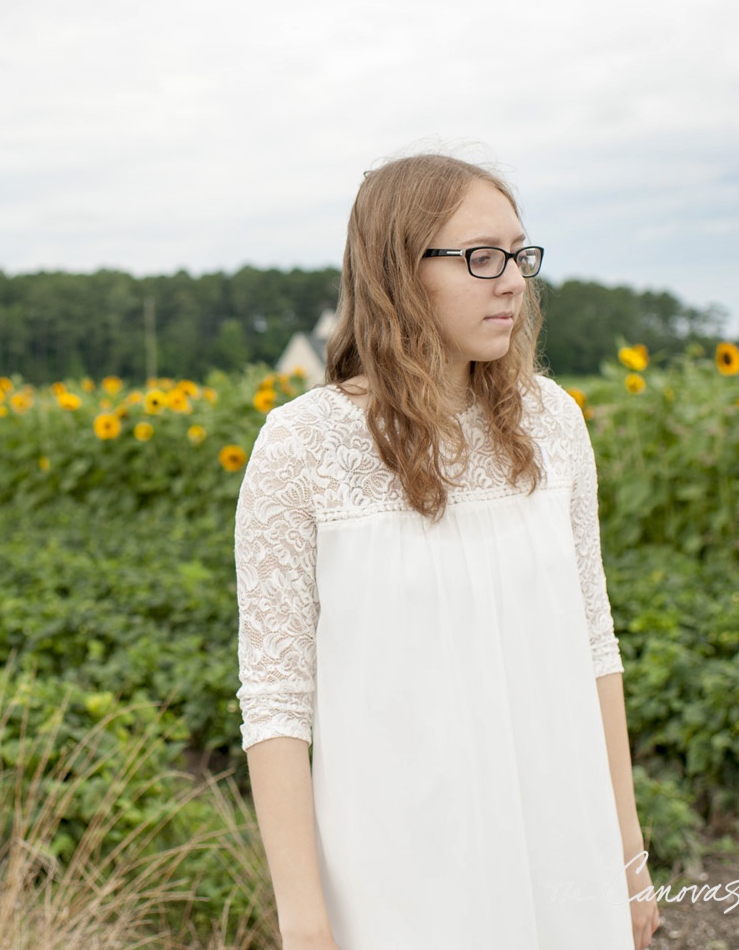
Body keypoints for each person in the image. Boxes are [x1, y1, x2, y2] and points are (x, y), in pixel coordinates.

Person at [233, 151, 663, 950]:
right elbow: (277, 698)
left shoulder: (553, 422)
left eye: (520, 255)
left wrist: (628, 856)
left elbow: (594, 646)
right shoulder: (304, 444)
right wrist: (304, 917)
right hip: (397, 868)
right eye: (481, 257)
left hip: (560, 837)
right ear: (399, 272)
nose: (512, 280)